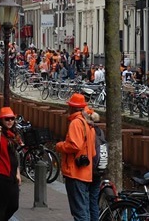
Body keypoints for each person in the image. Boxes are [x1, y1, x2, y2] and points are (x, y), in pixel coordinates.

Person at [56, 93, 96, 221]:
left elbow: (74, 145)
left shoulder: (76, 123)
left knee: (79, 212)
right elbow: (93, 152)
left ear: (72, 107)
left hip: (75, 172)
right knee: (84, 209)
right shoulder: (89, 125)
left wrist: (60, 146)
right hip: (86, 173)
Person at [0, 106, 21, 220]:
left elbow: (14, 154)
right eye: (7, 119)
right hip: (0, 173)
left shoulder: (12, 134)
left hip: (11, 173)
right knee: (2, 205)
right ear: (1, 120)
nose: (10, 121)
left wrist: (17, 173)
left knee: (13, 205)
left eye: (12, 118)